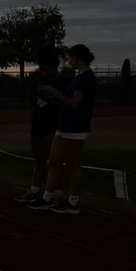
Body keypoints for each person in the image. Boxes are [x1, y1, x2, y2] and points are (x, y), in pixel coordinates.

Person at [29, 44, 96, 214]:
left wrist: (55, 92)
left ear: (77, 58)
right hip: (64, 124)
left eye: (70, 58)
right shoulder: (79, 77)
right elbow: (67, 102)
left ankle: (73, 203)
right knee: (54, 161)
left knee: (73, 165)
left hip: (76, 127)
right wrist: (51, 98)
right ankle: (46, 198)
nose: (68, 61)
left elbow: (74, 103)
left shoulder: (86, 78)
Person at [14, 46, 71, 203]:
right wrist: (33, 102)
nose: (41, 68)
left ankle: (56, 192)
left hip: (52, 123)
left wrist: (50, 99)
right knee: (39, 159)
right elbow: (31, 99)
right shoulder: (37, 79)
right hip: (38, 123)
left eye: (43, 65)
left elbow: (65, 104)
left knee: (54, 160)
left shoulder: (61, 81)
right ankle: (34, 190)